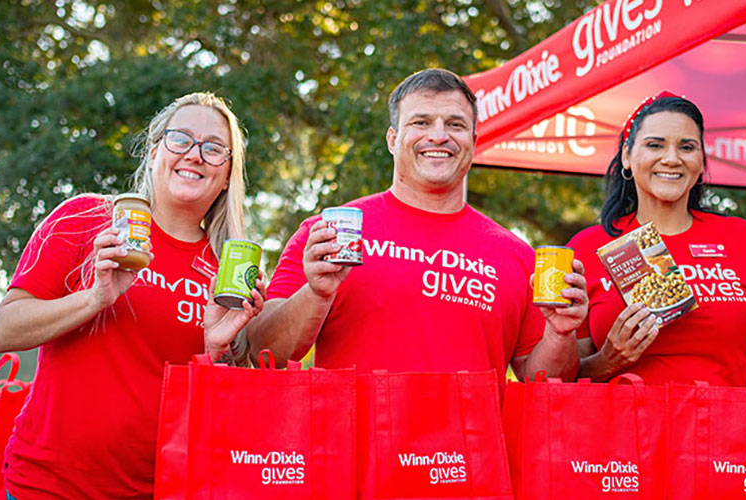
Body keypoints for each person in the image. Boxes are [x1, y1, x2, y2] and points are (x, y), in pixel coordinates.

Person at [0, 92, 264, 499]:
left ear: (227, 175)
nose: (194, 155)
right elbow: (3, 332)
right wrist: (94, 299)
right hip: (46, 487)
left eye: (213, 148)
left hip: (160, 490)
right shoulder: (87, 218)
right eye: (180, 139)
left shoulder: (229, 270)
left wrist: (217, 349)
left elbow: (225, 415)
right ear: (153, 154)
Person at [247, 68, 585, 383]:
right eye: (421, 122)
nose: (438, 136)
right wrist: (316, 294)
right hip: (353, 432)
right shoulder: (328, 236)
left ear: (473, 142)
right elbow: (264, 352)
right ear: (392, 140)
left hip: (472, 432)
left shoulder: (517, 256)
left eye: (454, 124)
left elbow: (546, 382)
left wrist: (560, 333)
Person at [567, 92, 746, 386]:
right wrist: (607, 360)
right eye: (655, 145)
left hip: (730, 416)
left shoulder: (744, 239)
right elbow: (561, 378)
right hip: (622, 416)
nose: (671, 159)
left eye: (687, 147)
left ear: (701, 162)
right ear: (627, 155)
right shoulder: (587, 248)